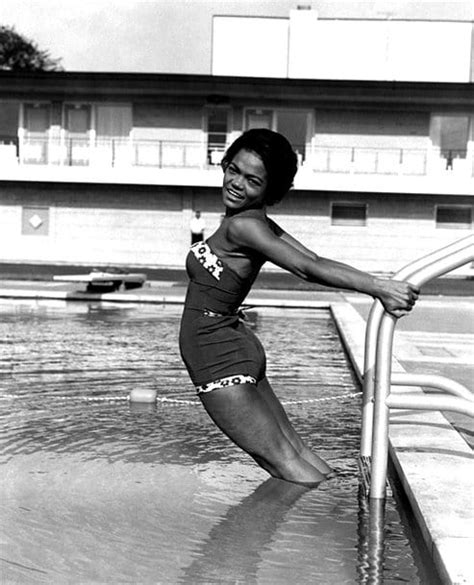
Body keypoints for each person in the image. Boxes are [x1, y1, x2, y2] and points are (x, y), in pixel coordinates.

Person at [179, 128, 419, 487]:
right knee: (296, 454)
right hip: (232, 344)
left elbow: (307, 267)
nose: (236, 183)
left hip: (216, 355)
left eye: (252, 180)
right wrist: (377, 283)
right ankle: (347, 504)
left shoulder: (244, 226)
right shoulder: (253, 222)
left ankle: (329, 528)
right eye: (233, 169)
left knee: (284, 466)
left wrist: (379, 288)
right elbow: (313, 258)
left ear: (270, 190)